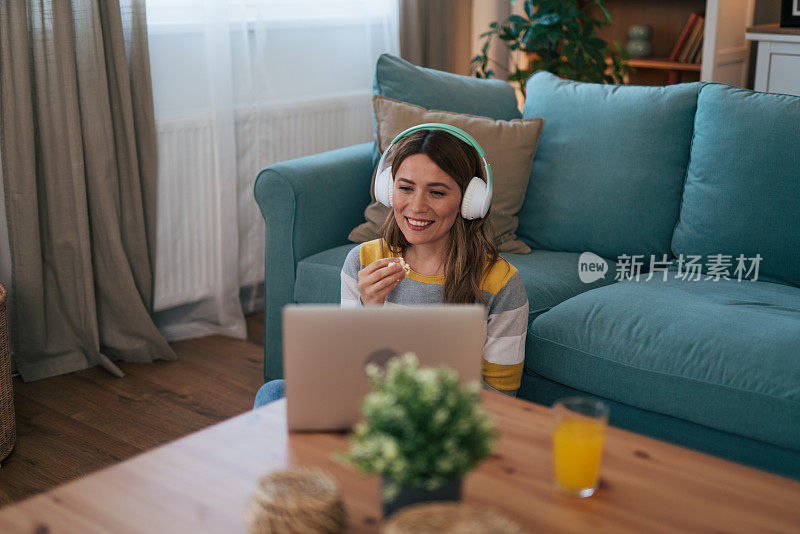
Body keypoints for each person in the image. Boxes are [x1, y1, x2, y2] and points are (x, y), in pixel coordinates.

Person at [254, 126, 528, 407]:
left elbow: (501, 400)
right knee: (273, 393)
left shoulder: (501, 282)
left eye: (436, 192)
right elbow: (349, 369)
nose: (417, 206)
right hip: (369, 404)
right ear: (388, 189)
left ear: (470, 201)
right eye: (406, 188)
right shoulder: (362, 260)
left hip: (438, 420)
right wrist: (367, 308)